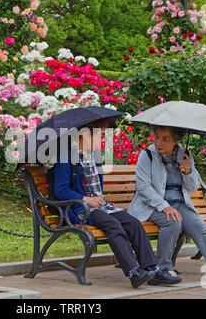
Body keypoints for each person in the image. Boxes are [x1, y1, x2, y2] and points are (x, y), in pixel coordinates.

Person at [53, 118, 181, 288]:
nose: (103, 139)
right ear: (84, 135)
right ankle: (133, 271)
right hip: (78, 208)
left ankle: (153, 269)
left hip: (100, 205)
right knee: (113, 225)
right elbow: (60, 190)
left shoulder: (93, 156)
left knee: (133, 223)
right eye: (101, 135)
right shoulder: (66, 157)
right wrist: (87, 199)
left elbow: (96, 187)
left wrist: (96, 199)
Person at [127, 125, 206, 281]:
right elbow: (143, 187)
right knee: (173, 221)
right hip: (151, 206)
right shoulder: (147, 155)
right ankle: (162, 269)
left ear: (176, 140)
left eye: (165, 139)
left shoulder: (185, 155)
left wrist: (188, 173)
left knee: (199, 226)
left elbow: (192, 187)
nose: (159, 142)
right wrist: (165, 206)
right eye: (157, 137)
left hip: (179, 204)